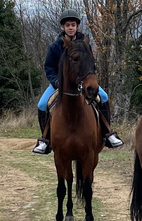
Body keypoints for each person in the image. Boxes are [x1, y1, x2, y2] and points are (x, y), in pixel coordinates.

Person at [32, 10, 125, 154]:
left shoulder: (85, 45)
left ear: (77, 26)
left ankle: (108, 133)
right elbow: (49, 68)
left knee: (104, 97)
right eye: (68, 25)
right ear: (63, 27)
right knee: (42, 104)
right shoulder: (55, 47)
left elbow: (90, 64)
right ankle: (46, 140)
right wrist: (56, 81)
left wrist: (88, 78)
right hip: (60, 84)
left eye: (73, 25)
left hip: (83, 81)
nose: (70, 27)